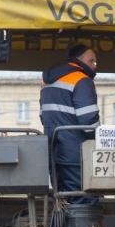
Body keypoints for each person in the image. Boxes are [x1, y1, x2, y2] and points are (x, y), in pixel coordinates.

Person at [40, 44, 100, 204]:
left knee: (61, 200)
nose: (95, 65)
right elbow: (88, 119)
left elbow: (43, 116)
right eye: (91, 60)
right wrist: (100, 141)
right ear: (78, 60)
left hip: (53, 150)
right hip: (75, 153)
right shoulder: (81, 80)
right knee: (85, 199)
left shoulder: (47, 82)